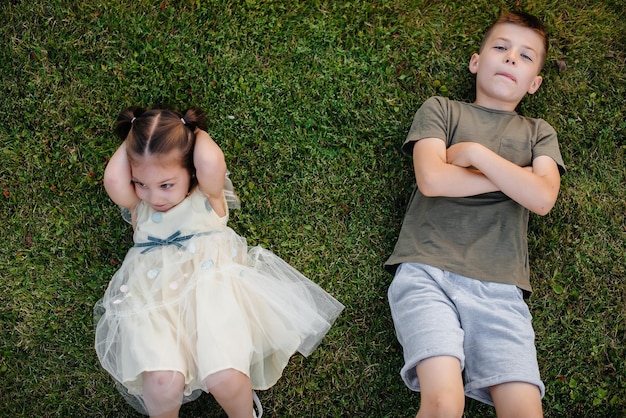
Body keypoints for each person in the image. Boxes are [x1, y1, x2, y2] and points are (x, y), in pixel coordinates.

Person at [94, 107, 344, 418]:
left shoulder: (208, 197)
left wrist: (190, 131)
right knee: (161, 383)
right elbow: (113, 179)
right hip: (155, 303)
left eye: (166, 184)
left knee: (223, 376)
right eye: (141, 183)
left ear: (192, 172)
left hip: (212, 293)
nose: (154, 196)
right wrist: (137, 137)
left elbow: (211, 161)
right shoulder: (140, 209)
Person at [385, 11, 565, 418]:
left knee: (525, 410)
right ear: (476, 61)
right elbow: (432, 179)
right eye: (500, 48)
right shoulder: (442, 110)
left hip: (501, 289)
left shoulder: (539, 132)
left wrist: (474, 155)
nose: (511, 58)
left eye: (525, 56)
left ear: (535, 82)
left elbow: (542, 199)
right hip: (427, 270)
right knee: (445, 403)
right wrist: (515, 178)